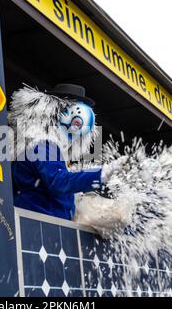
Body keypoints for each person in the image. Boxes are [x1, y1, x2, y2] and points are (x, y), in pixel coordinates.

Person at [9, 84, 125, 220]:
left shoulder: (50, 148)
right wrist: (100, 174)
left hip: (44, 224)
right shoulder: (42, 144)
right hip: (36, 222)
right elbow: (58, 181)